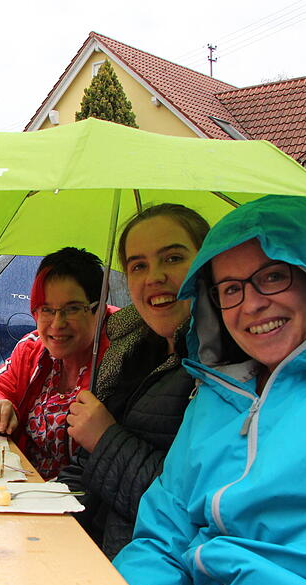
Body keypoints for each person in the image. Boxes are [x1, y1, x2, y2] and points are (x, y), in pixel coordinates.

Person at [114, 194, 306, 585]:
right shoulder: (214, 398)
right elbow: (163, 537)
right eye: (230, 289)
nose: (251, 303)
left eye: (274, 276)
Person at [58, 203, 210, 559]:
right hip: (90, 553)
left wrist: (106, 438)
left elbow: (187, 508)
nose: (153, 276)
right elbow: (86, 472)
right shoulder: (130, 354)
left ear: (207, 262)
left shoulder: (219, 371)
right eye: (138, 265)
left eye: (172, 258)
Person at [0, 247, 111, 480]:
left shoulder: (118, 358)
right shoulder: (33, 348)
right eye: (46, 309)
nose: (57, 323)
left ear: (99, 308)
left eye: (72, 309)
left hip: (74, 501)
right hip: (20, 483)